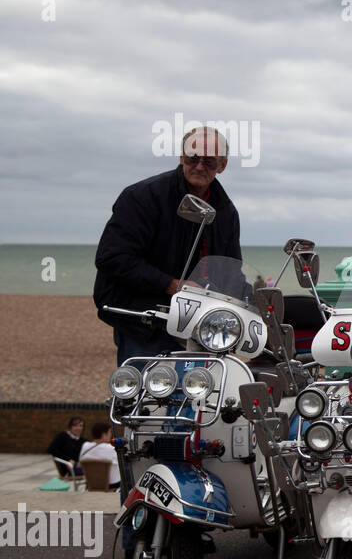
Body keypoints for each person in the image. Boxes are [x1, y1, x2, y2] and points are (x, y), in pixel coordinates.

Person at [94, 127, 243, 366]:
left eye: (209, 161)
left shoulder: (225, 211)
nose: (199, 166)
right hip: (146, 321)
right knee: (142, 398)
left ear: (222, 166)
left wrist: (258, 305)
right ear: (181, 157)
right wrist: (172, 285)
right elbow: (112, 258)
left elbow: (230, 272)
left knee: (198, 399)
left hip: (199, 326)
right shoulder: (143, 196)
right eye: (193, 158)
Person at [77, 422, 121, 488]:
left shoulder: (85, 446)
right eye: (109, 432)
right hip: (112, 484)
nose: (110, 434)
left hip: (91, 484)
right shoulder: (111, 448)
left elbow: (80, 461)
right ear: (104, 434)